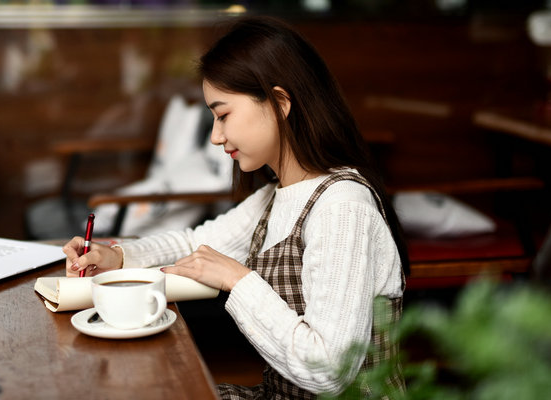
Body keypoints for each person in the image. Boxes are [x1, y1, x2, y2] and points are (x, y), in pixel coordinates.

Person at [63, 16, 409, 399]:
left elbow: (329, 369)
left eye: (223, 114)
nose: (215, 136)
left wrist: (238, 280)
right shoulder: (277, 195)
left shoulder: (342, 208)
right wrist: (117, 256)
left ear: (279, 102)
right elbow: (197, 244)